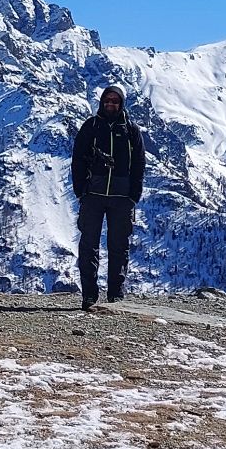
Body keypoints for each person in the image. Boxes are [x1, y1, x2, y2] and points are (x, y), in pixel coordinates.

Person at [71, 84, 146, 310]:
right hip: (93, 196)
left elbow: (139, 164)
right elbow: (78, 159)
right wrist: (81, 191)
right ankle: (89, 296)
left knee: (119, 247)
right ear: (102, 102)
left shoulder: (131, 130)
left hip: (122, 198)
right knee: (88, 246)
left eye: (115, 100)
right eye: (107, 100)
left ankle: (116, 296)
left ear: (121, 103)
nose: (110, 104)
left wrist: (134, 195)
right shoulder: (91, 126)